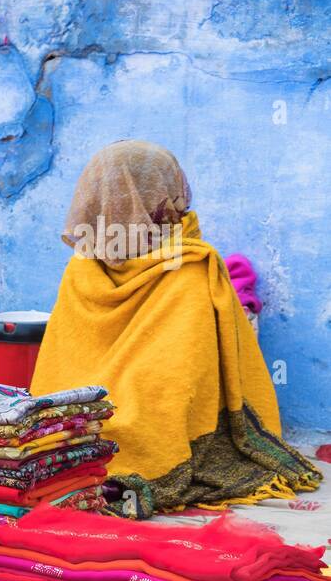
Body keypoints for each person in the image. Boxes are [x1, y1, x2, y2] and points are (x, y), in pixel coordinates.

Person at [30, 140, 320, 517]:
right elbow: (181, 378)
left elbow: (173, 372)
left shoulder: (92, 268)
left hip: (67, 434)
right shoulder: (181, 267)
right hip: (120, 427)